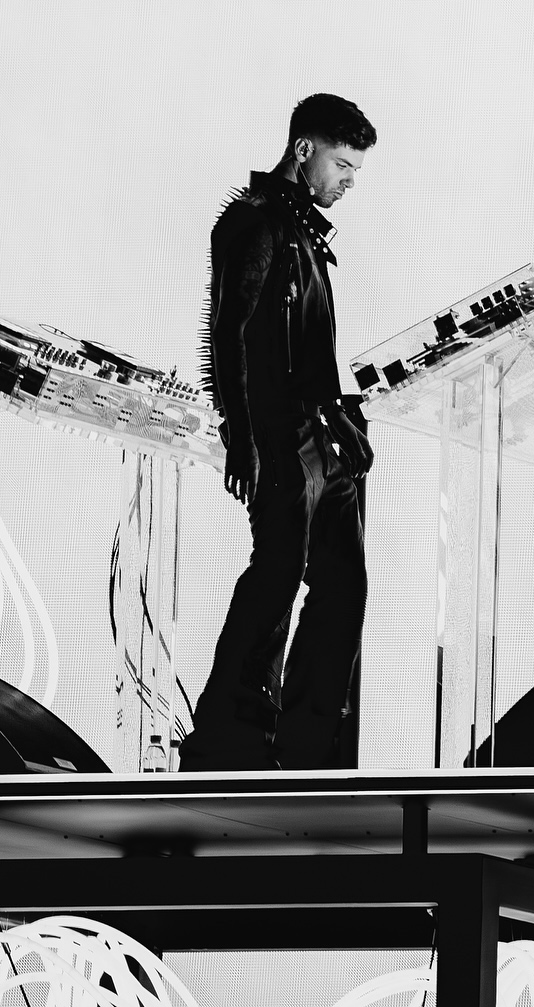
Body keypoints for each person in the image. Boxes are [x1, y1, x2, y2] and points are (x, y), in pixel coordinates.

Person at [180, 94, 378, 772]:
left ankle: (309, 748)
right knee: (277, 576)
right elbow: (229, 331)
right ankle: (231, 739)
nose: (348, 181)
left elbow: (304, 346)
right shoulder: (256, 221)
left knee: (342, 586)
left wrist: (342, 421)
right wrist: (242, 438)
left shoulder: (302, 229)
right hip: (280, 432)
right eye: (342, 165)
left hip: (322, 434)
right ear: (303, 151)